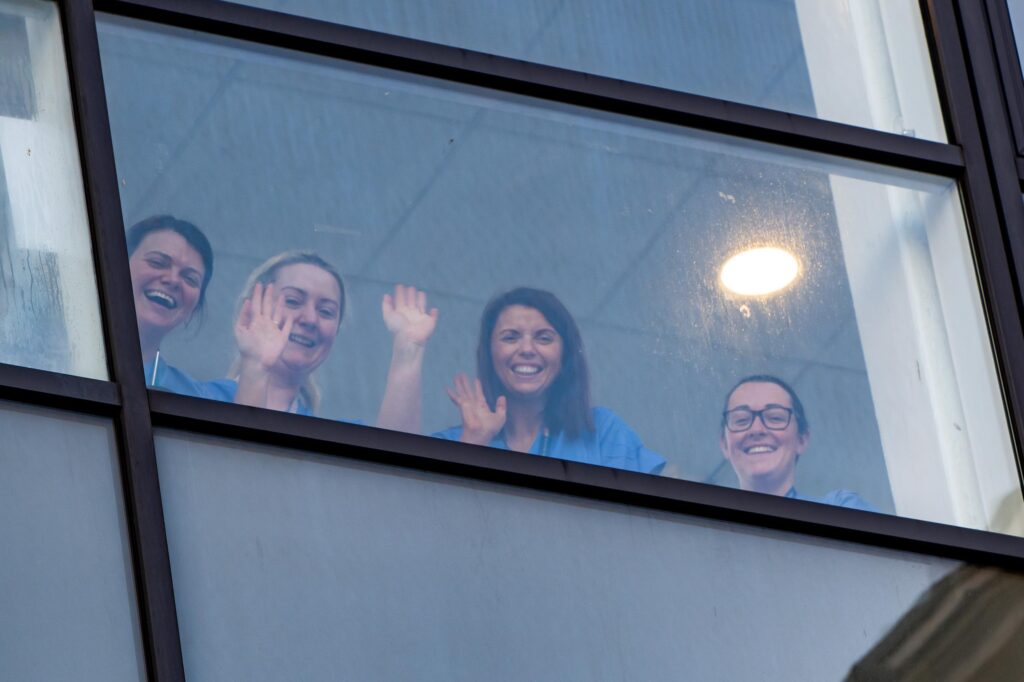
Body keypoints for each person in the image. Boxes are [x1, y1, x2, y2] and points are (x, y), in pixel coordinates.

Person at [434, 287, 665, 474]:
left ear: (564, 356)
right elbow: (425, 508)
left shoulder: (602, 432)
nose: (526, 349)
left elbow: (649, 512)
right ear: (489, 353)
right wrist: (473, 443)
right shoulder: (455, 441)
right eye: (510, 337)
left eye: (544, 338)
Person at [206, 251, 436, 433]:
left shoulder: (328, 437)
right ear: (251, 311)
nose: (310, 319)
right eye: (293, 301)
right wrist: (256, 366)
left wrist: (408, 351)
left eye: (326, 311)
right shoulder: (197, 400)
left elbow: (396, 463)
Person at [719, 374, 875, 510]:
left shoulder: (840, 510)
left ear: (802, 439)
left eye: (775, 418)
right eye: (741, 420)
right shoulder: (709, 520)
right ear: (724, 444)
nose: (757, 429)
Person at [127, 215, 215, 396]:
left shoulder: (198, 398)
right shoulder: (63, 352)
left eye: (190, 278)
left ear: (195, 306)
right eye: (157, 263)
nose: (173, 280)